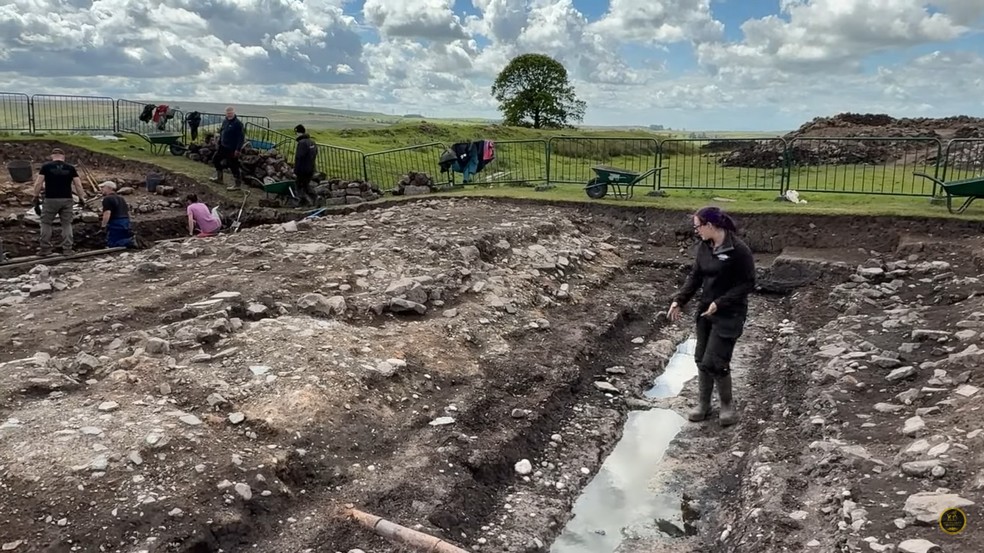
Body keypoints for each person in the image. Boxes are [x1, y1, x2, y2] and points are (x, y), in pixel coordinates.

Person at [667, 206, 756, 427]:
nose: (696, 231)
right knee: (700, 358)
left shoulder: (739, 251)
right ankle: (704, 405)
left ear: (710, 225)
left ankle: (727, 406)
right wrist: (680, 300)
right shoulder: (705, 247)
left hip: (730, 313)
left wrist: (721, 302)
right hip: (706, 310)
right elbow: (696, 276)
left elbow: (748, 283)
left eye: (698, 226)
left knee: (715, 361)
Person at [33, 148, 87, 256]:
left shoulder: (46, 167)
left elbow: (38, 183)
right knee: (67, 224)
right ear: (63, 156)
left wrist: (35, 196)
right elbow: (78, 185)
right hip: (67, 199)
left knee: (46, 223)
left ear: (52, 156)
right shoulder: (70, 168)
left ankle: (45, 249)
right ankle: (67, 249)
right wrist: (82, 198)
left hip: (50, 199)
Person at [209, 106, 245, 190]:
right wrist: (219, 141)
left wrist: (238, 149)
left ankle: (237, 185)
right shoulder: (225, 121)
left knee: (233, 166)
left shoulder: (238, 124)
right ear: (226, 113)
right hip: (223, 146)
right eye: (228, 113)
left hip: (232, 148)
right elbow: (222, 132)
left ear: (234, 113)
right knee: (215, 159)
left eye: (230, 113)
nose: (229, 115)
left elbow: (241, 138)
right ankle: (219, 178)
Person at [99, 181, 135, 248]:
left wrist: (103, 226)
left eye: (103, 187)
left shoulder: (107, 199)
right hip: (125, 222)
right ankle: (130, 240)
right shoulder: (121, 198)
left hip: (116, 223)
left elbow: (107, 213)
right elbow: (127, 211)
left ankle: (131, 241)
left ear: (109, 188)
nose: (101, 189)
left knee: (112, 243)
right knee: (122, 237)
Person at [293, 124, 318, 206]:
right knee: (306, 185)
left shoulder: (302, 143)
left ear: (298, 132)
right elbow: (315, 153)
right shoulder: (312, 142)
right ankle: (315, 198)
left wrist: (296, 170)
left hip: (302, 169)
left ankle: (303, 202)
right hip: (311, 168)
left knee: (299, 186)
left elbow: (299, 157)